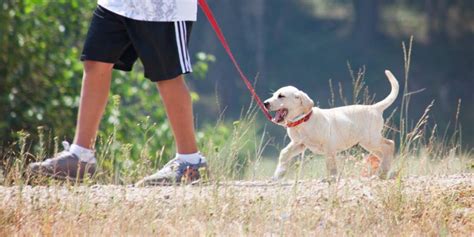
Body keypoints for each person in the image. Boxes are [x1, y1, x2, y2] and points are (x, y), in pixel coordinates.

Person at [28, 0, 208, 186]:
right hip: (116, 4)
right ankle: (81, 156)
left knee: (167, 75)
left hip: (163, 8)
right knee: (95, 61)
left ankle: (190, 162)